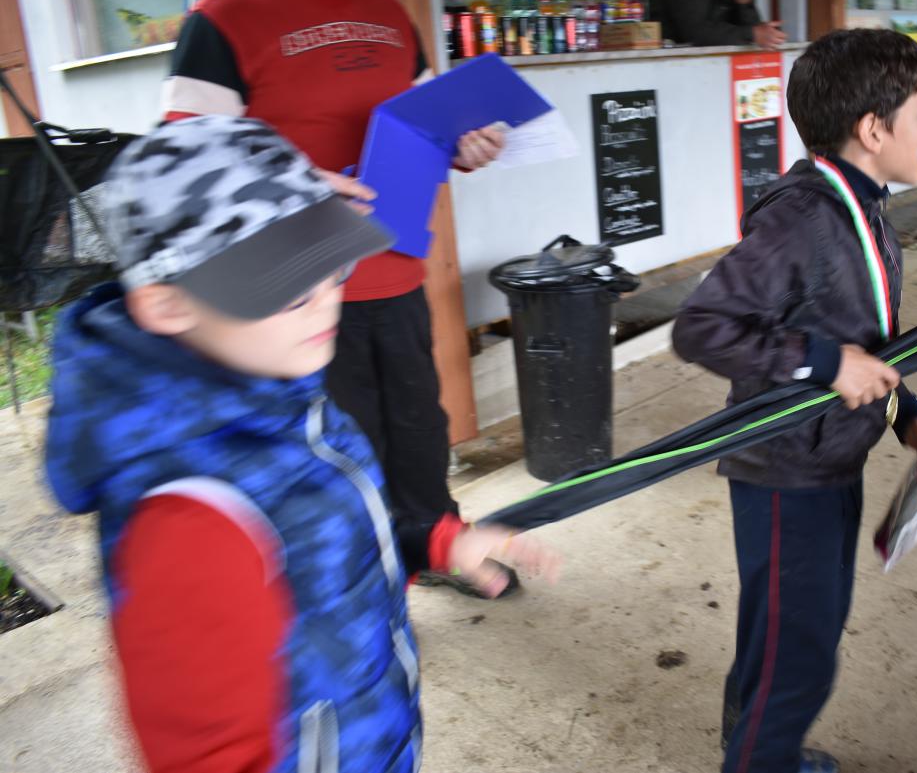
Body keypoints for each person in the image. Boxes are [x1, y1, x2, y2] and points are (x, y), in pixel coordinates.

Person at [43, 116, 557, 773]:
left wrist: (437, 543)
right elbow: (204, 751)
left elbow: (324, 536)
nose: (324, 305)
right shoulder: (186, 518)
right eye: (286, 289)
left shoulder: (282, 391)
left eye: (333, 268)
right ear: (169, 305)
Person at [163, 0, 512, 597]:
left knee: (419, 426)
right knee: (339, 449)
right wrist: (295, 182)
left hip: (395, 265)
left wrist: (466, 147)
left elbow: (429, 126)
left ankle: (436, 546)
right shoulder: (224, 16)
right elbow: (184, 156)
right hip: (298, 292)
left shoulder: (388, 11)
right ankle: (362, 591)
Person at [672, 29, 917, 773]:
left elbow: (863, 336)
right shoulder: (803, 220)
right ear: (873, 130)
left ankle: (755, 742)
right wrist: (825, 363)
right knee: (802, 657)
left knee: (782, 633)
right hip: (787, 474)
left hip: (832, 455)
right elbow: (702, 327)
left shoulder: (863, 205)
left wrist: (905, 413)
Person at [648, 0, 787, 50]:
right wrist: (753, 34)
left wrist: (744, 2)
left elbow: (753, 36)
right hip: (662, 63)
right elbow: (696, 33)